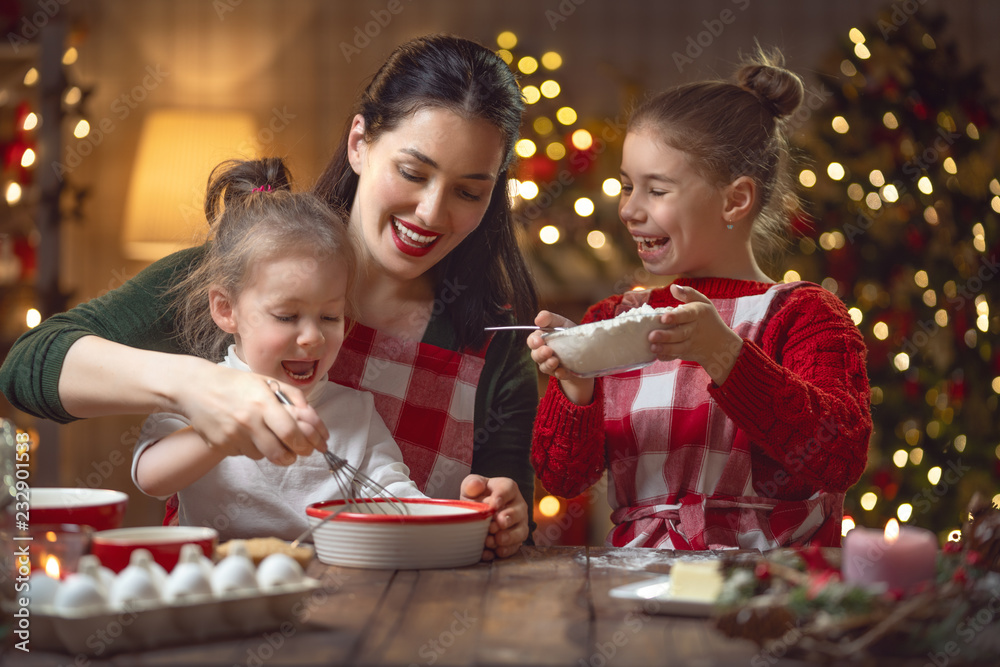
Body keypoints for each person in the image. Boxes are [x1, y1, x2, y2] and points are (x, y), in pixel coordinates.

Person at [0, 35, 535, 559]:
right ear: (359, 143)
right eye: (412, 172)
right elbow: (29, 368)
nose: (431, 213)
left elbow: (506, 518)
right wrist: (199, 387)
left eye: (469, 191)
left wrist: (505, 519)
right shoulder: (243, 274)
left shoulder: (497, 346)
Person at [528, 49, 872, 551]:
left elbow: (839, 456)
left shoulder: (805, 315)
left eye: (657, 190)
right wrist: (575, 387)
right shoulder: (611, 320)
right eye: (627, 186)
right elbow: (561, 478)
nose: (628, 209)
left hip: (764, 596)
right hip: (638, 592)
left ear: (734, 200)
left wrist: (724, 355)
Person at [133, 157, 432, 542]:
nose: (312, 338)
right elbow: (151, 478)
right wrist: (223, 429)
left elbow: (395, 496)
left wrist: (462, 517)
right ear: (227, 310)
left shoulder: (355, 414)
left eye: (329, 317)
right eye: (287, 316)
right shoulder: (200, 395)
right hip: (222, 588)